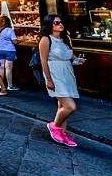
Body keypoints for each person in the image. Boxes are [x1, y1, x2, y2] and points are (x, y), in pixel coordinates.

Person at [39, 14, 85, 147]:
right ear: (49, 25)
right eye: (56, 22)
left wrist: (77, 60)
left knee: (62, 106)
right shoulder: (46, 39)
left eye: (60, 21)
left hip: (67, 73)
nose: (60, 24)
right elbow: (43, 61)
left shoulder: (66, 38)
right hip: (55, 74)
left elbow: (71, 56)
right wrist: (48, 79)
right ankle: (54, 126)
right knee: (70, 106)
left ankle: (62, 133)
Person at [0, 15, 19, 91]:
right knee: (8, 68)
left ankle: (1, 85)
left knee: (1, 68)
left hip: (0, 50)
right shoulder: (10, 30)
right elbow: (15, 41)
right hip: (10, 50)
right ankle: (10, 85)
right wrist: (19, 40)